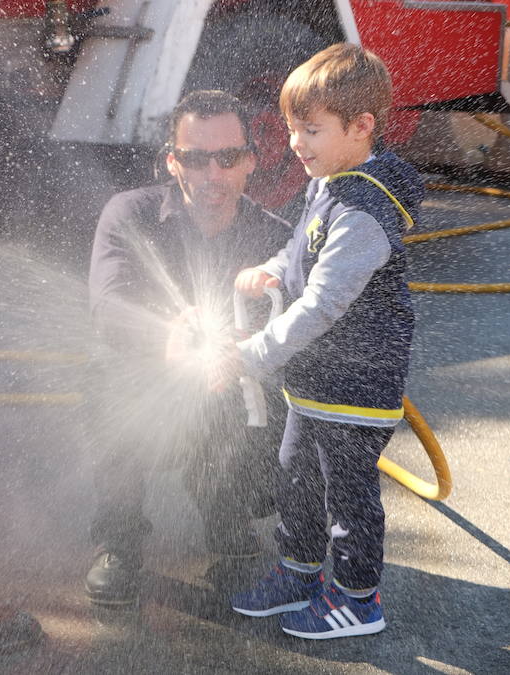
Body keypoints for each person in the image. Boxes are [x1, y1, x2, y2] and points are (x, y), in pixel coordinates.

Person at [226, 43, 424, 639]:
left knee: (348, 498)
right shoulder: (331, 180)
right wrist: (273, 270)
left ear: (361, 127)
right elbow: (302, 252)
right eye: (292, 128)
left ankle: (359, 598)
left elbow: (325, 301)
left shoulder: (364, 207)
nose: (295, 143)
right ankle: (300, 572)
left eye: (310, 129)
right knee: (297, 479)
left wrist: (256, 351)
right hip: (314, 381)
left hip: (357, 384)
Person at [85, 90, 291, 606]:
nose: (212, 175)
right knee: (108, 386)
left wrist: (256, 352)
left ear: (250, 162)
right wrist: (165, 338)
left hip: (230, 390)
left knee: (274, 403)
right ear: (172, 161)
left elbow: (305, 331)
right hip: (150, 387)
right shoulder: (127, 214)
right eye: (196, 159)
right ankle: (121, 539)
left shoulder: (279, 242)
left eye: (227, 158)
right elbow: (107, 308)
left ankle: (229, 523)